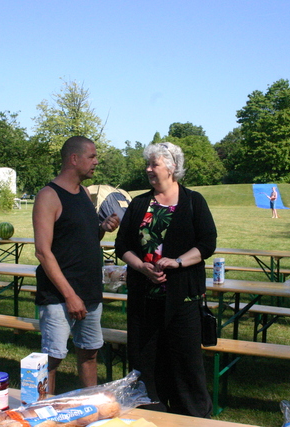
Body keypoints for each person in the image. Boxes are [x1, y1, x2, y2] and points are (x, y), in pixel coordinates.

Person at [114, 141, 217, 418]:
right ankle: (150, 415)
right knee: (146, 362)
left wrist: (178, 261)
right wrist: (141, 267)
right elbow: (122, 244)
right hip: (144, 299)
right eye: (147, 164)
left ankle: (193, 418)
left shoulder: (193, 201)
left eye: (154, 164)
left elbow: (207, 244)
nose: (148, 169)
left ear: (171, 168)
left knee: (186, 363)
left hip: (183, 299)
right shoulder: (138, 204)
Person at [32, 136, 120, 394]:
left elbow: (85, 237)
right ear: (73, 159)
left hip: (90, 290)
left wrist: (102, 229)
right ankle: (42, 411)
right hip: (59, 295)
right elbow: (43, 252)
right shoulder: (48, 196)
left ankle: (91, 406)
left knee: (89, 352)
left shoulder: (83, 193)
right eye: (91, 156)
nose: (96, 161)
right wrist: (70, 296)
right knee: (52, 358)